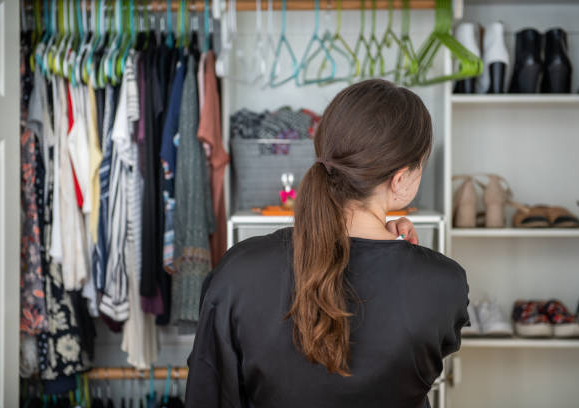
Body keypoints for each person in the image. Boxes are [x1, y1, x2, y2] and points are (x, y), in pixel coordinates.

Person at [185, 79, 470, 408]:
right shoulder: (443, 283)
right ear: (401, 178)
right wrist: (408, 260)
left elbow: (208, 393)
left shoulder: (238, 272)